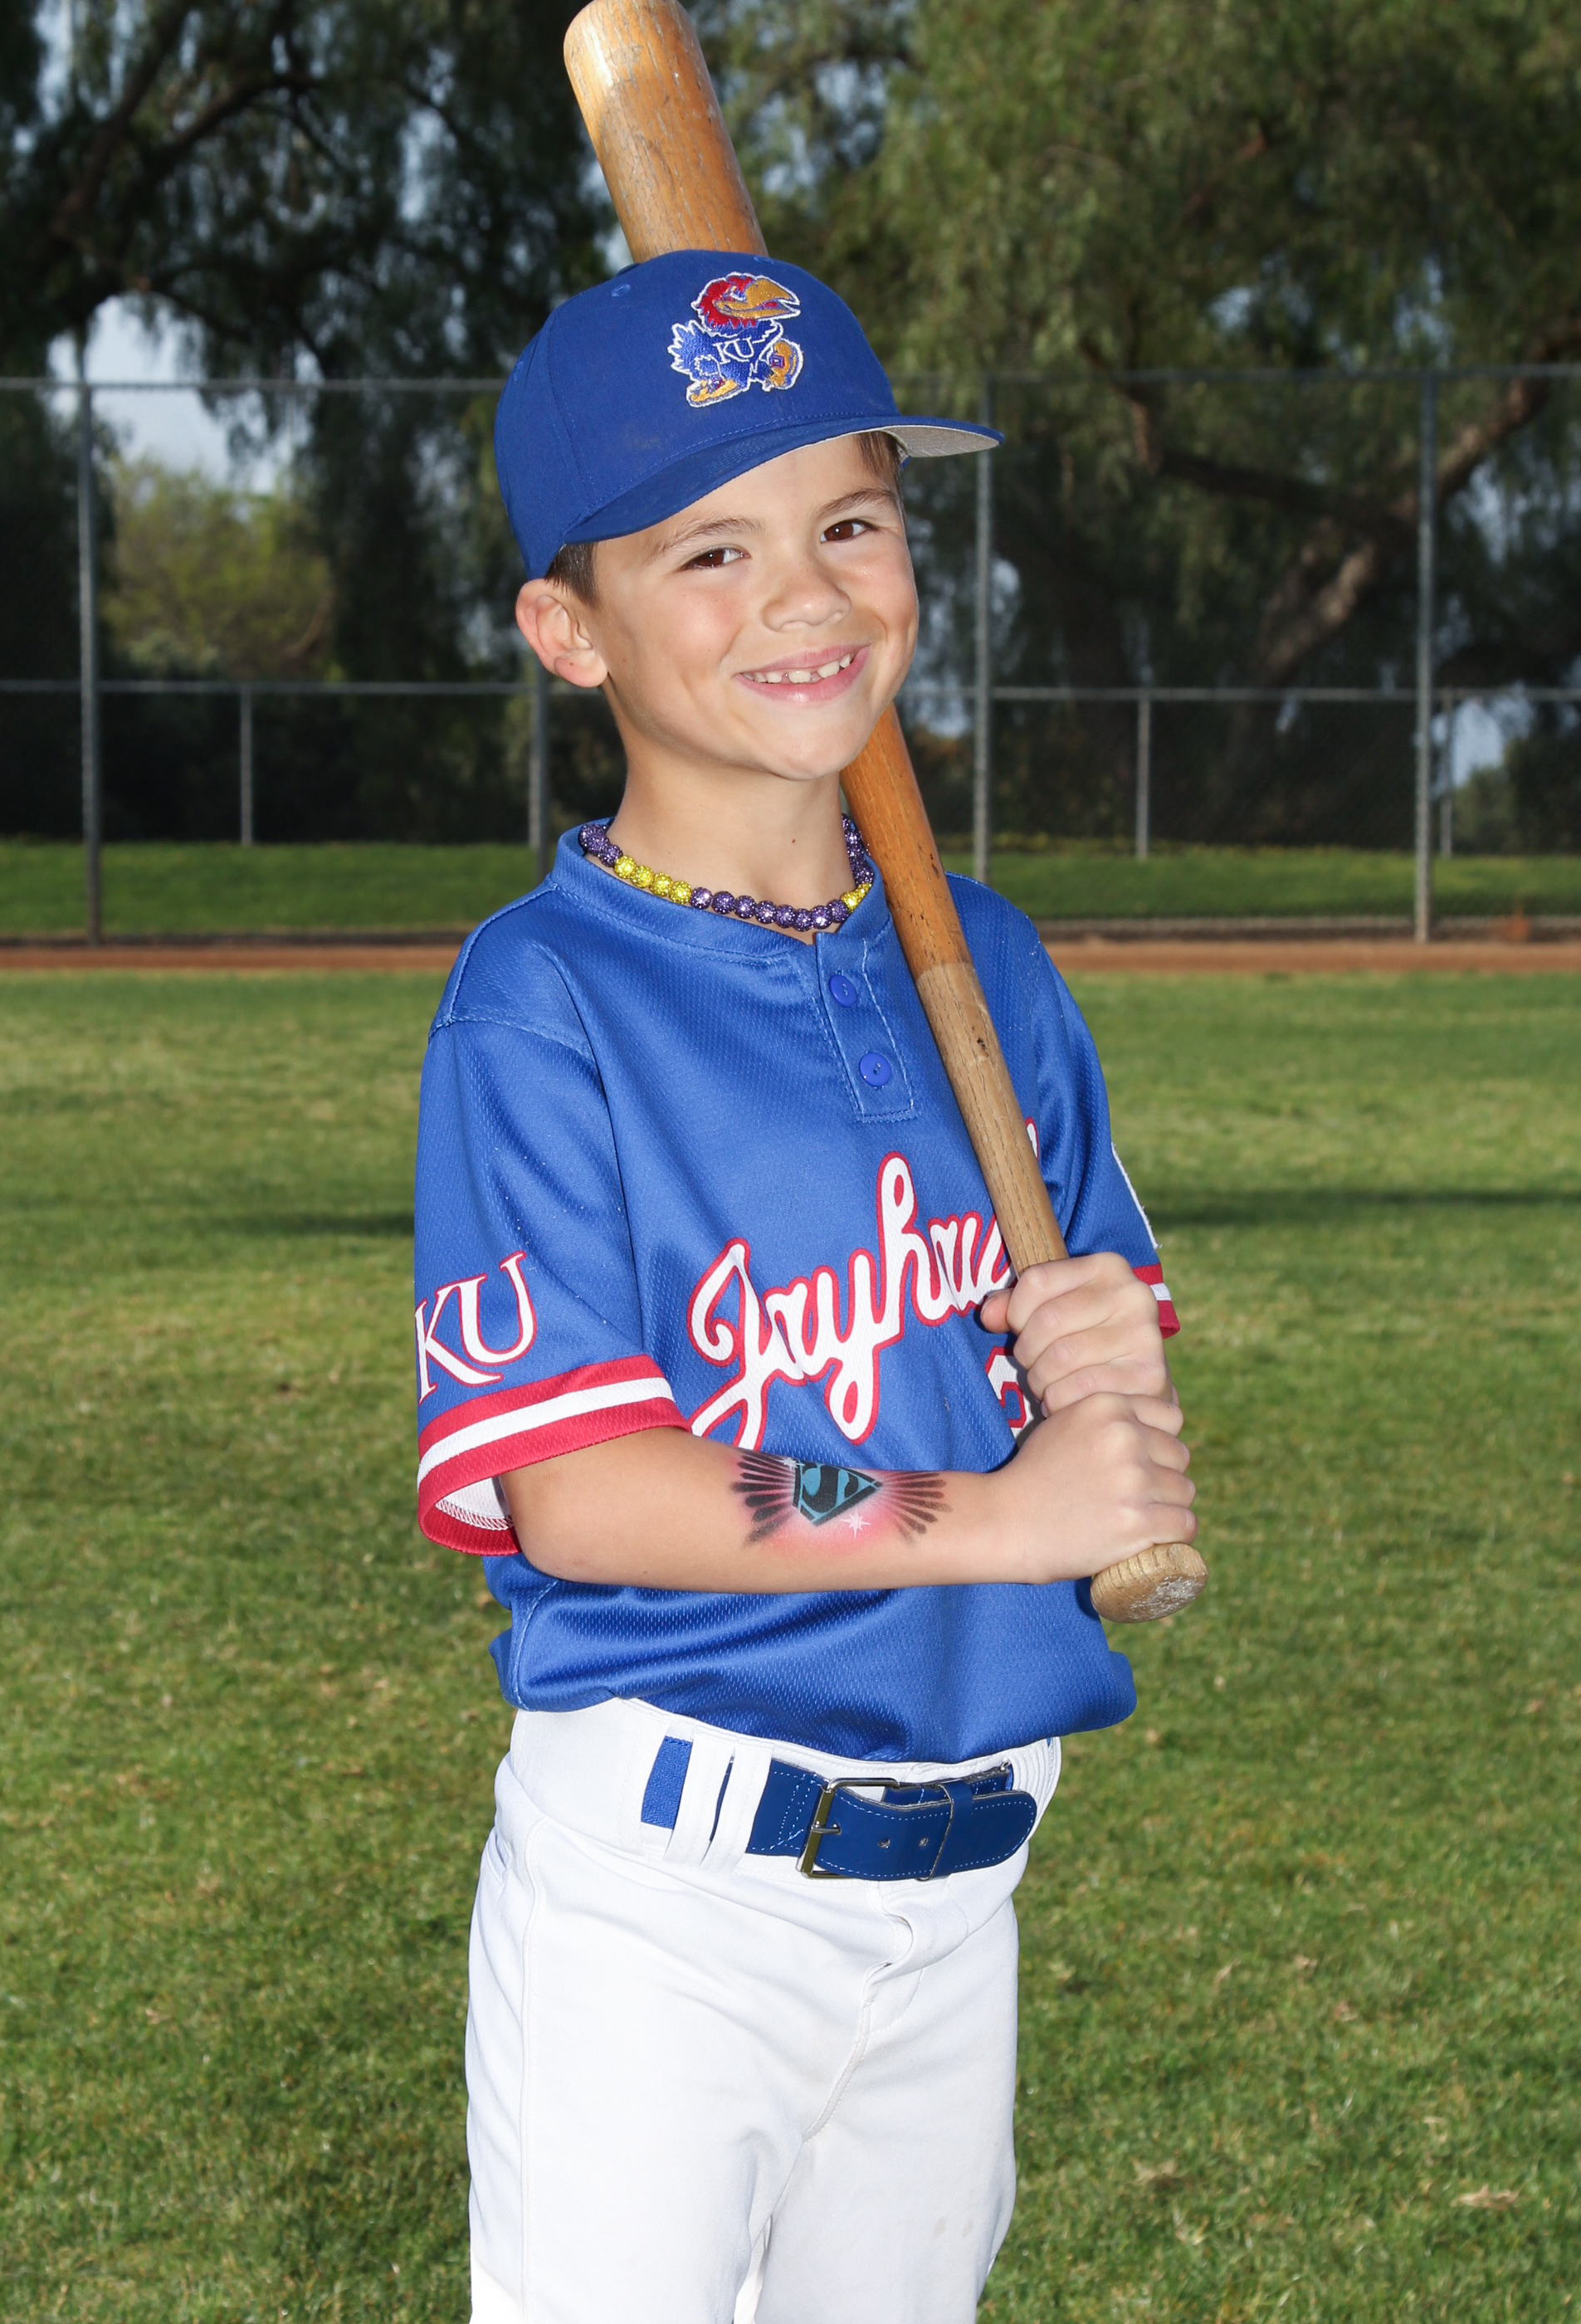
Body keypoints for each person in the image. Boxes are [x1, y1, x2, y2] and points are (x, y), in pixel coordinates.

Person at [412, 251, 1195, 2324]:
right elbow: (586, 1489)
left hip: (963, 1890)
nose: (805, 595)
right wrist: (1003, 1516)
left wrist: (1101, 1367)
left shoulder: (987, 962)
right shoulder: (542, 1000)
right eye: (711, 549)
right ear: (568, 630)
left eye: (849, 520)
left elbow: (1097, 1381)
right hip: (667, 1907)